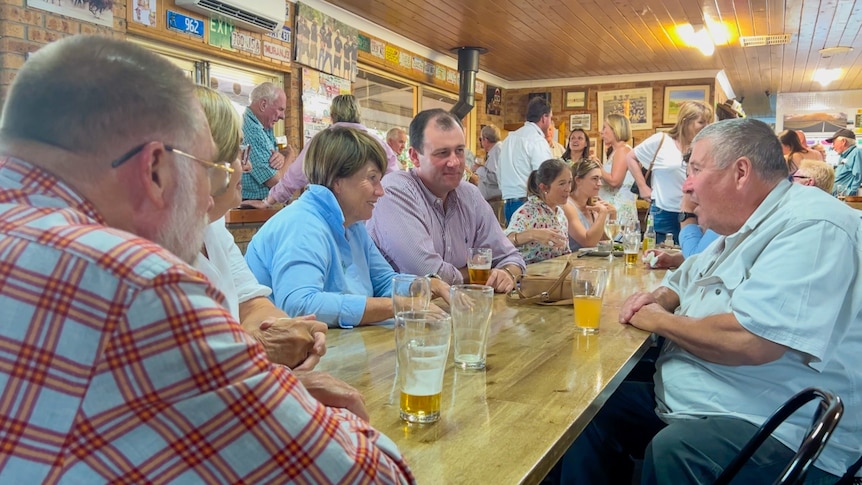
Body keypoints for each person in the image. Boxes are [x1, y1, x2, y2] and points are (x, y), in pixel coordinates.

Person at [0, 35, 413, 483]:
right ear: (156, 169)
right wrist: (279, 393)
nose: (209, 198)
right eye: (208, 170)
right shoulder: (137, 280)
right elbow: (373, 476)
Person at [561, 117, 862, 484]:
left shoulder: (814, 226)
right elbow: (682, 278)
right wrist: (659, 298)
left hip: (778, 426)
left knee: (677, 450)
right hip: (703, 402)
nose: (686, 185)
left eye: (696, 169)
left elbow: (752, 341)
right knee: (581, 414)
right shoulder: (741, 228)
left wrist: (658, 319)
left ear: (740, 172)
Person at [246, 127, 449, 328]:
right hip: (285, 355)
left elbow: (384, 281)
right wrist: (396, 306)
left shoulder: (352, 225)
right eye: (372, 179)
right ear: (337, 182)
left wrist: (426, 286)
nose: (381, 191)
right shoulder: (302, 223)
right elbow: (300, 305)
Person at [192, 85, 327, 368]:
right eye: (235, 154)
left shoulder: (213, 226)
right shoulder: (149, 241)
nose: (244, 166)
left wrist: (287, 332)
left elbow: (253, 303)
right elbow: (188, 359)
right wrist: (255, 344)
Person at [367, 109, 526, 292]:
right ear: (414, 157)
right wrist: (478, 273)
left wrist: (507, 273)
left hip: (461, 311)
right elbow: (427, 274)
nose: (455, 162)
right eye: (442, 153)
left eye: (459, 151)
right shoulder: (395, 191)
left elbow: (511, 257)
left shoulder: (470, 194)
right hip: (403, 316)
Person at [265, 94, 399, 205]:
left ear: (332, 116)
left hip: (327, 213)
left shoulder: (321, 142)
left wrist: (268, 202)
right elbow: (394, 183)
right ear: (359, 114)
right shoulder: (378, 144)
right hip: (368, 214)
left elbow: (294, 177)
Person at [627, 101, 713, 243]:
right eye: (701, 122)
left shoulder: (703, 147)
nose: (706, 127)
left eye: (708, 123)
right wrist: (643, 187)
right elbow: (630, 157)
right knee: (661, 257)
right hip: (664, 210)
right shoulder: (661, 141)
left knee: (692, 255)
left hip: (696, 211)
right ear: (685, 122)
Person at [505, 159, 572, 263]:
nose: (568, 189)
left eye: (570, 182)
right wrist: (533, 234)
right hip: (530, 275)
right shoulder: (527, 212)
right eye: (562, 183)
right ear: (544, 187)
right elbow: (505, 242)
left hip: (556, 272)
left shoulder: (560, 213)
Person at [499, 97, 554, 222]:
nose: (550, 122)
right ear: (544, 118)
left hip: (508, 202)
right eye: (551, 118)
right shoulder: (537, 140)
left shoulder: (509, 139)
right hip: (528, 203)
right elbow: (545, 176)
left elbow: (499, 172)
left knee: (513, 241)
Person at [241, 82, 287, 202]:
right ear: (263, 105)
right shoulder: (252, 131)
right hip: (251, 210)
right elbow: (276, 181)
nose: (283, 116)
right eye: (280, 109)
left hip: (262, 206)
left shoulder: (265, 128)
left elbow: (276, 160)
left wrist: (281, 157)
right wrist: (290, 156)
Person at [561, 159, 615, 251]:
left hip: (591, 261)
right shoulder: (567, 205)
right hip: (572, 261)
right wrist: (603, 213)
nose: (599, 184)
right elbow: (588, 243)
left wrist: (613, 215)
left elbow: (603, 240)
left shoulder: (593, 204)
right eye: (595, 178)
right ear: (578, 180)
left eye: (600, 179)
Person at [598, 113, 637, 226]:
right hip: (614, 209)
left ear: (615, 129)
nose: (602, 132)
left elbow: (615, 181)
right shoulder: (616, 151)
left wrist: (598, 168)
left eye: (605, 128)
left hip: (618, 211)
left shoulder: (622, 150)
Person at [471, 123, 503, 201]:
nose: (481, 142)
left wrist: (478, 168)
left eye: (480, 139)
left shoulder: (497, 151)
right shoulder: (497, 150)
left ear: (485, 139)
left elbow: (495, 178)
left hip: (494, 201)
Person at [828, 128, 862, 196]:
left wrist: (849, 194)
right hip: (836, 196)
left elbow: (858, 176)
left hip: (844, 198)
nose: (833, 146)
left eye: (834, 143)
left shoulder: (856, 152)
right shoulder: (843, 156)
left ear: (843, 141)